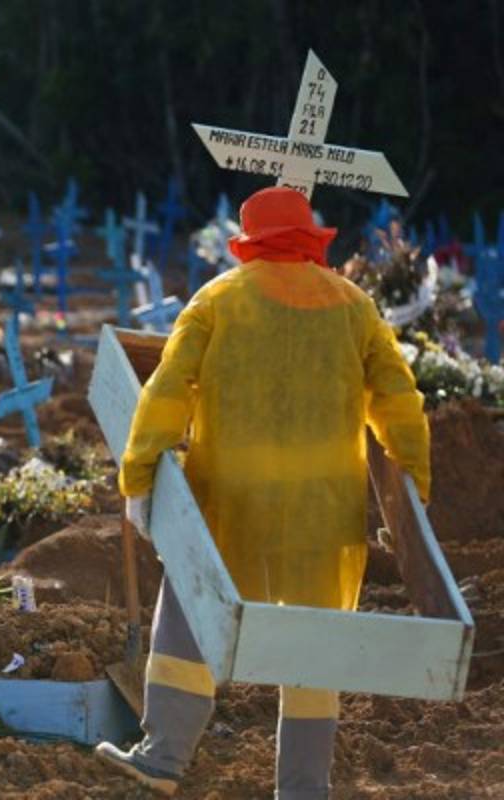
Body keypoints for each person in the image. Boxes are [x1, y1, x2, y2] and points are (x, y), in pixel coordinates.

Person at [96, 186, 431, 799]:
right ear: (309, 240)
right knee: (314, 644)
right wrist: (415, 487)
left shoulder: (219, 298)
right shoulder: (354, 306)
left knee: (192, 611)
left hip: (231, 500)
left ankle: (163, 758)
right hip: (321, 513)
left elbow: (166, 393)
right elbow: (399, 401)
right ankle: (304, 789)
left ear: (249, 243)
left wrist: (138, 478)